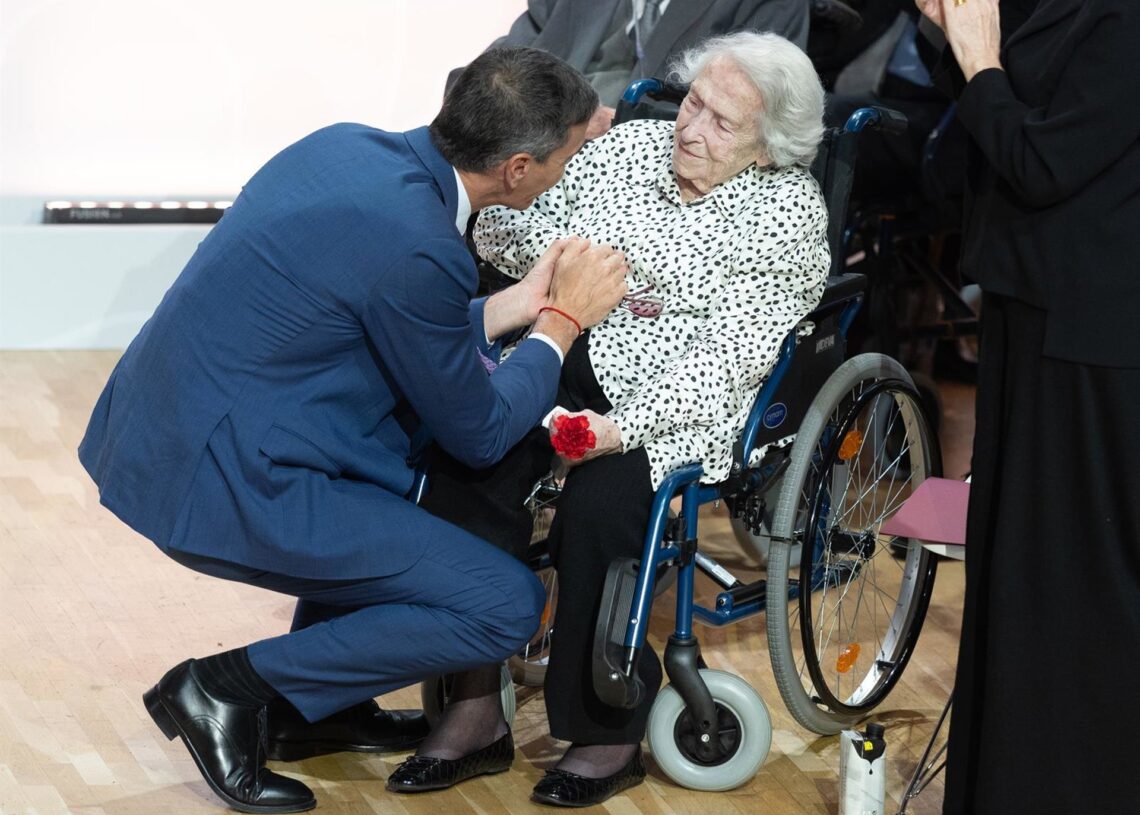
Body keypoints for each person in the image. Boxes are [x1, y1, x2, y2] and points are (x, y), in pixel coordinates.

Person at [77, 47, 630, 813]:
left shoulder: (343, 146)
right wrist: (564, 322)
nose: (571, 169)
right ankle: (225, 689)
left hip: (165, 427)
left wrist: (512, 306)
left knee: (395, 472)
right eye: (570, 153)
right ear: (519, 169)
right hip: (227, 474)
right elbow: (481, 429)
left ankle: (321, 710)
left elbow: (385, 319)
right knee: (501, 603)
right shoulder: (425, 246)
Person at [389, 31, 830, 807]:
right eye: (692, 102)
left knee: (601, 510)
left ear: (767, 148)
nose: (690, 129)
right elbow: (520, 226)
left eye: (722, 123)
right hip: (560, 349)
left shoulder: (788, 212)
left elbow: (730, 358)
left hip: (667, 405)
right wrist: (508, 208)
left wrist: (619, 429)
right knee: (466, 466)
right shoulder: (629, 148)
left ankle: (606, 728)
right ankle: (471, 704)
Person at [913, 1, 1140, 812]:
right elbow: (996, 104)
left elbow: (1044, 158)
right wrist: (951, 35)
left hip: (1095, 331)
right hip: (1025, 307)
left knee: (1074, 589)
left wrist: (980, 62)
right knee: (1014, 575)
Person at [449, 0, 810, 138]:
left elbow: (753, 117)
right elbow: (515, 51)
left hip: (651, 178)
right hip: (536, 142)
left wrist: (621, 127)